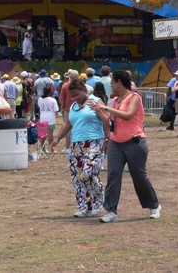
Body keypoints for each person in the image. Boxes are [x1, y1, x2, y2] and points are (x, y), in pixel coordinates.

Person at [91, 70, 161, 223]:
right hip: (116, 142)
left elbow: (128, 115)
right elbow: (111, 121)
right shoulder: (115, 100)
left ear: (119, 82)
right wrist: (99, 110)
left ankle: (154, 205)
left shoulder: (134, 97)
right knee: (113, 175)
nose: (111, 86)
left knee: (138, 175)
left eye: (112, 83)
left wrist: (106, 108)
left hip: (134, 142)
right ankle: (111, 211)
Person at [51, 79, 110, 217]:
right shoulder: (73, 107)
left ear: (84, 90)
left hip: (94, 142)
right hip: (76, 144)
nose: (74, 98)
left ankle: (99, 201)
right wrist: (57, 139)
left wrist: (108, 139)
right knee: (77, 177)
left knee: (88, 172)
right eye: (72, 96)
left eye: (76, 95)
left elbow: (106, 119)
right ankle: (85, 206)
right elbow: (68, 123)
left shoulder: (95, 101)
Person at [38, 85, 59, 153]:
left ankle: (43, 149)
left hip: (42, 118)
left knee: (43, 134)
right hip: (51, 119)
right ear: (50, 92)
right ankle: (51, 149)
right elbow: (56, 109)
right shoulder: (53, 100)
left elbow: (39, 106)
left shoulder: (40, 99)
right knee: (50, 134)